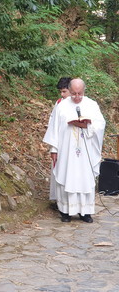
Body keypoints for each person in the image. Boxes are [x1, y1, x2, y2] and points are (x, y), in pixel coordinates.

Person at [43, 78, 106, 223]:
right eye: (74, 94)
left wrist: (87, 126)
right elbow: (54, 129)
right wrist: (53, 149)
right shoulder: (61, 106)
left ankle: (85, 212)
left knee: (85, 177)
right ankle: (66, 211)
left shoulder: (92, 105)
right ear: (69, 91)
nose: (77, 97)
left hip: (86, 150)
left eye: (80, 94)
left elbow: (101, 124)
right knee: (66, 176)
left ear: (84, 91)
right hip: (66, 150)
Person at [48, 77, 72, 203]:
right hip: (60, 143)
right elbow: (53, 124)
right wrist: (53, 147)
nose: (62, 95)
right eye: (61, 92)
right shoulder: (59, 103)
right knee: (58, 171)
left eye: (64, 92)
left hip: (74, 144)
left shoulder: (80, 103)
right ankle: (58, 199)